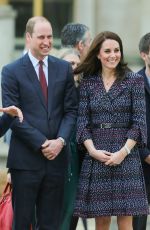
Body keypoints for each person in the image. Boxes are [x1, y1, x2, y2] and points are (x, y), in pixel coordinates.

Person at [1, 16, 78, 230]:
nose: (47, 41)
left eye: (50, 36)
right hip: (25, 163)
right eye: (41, 37)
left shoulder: (63, 69)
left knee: (51, 224)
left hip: (56, 162)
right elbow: (12, 116)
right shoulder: (11, 71)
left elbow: (71, 111)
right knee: (23, 223)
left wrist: (60, 141)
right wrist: (45, 144)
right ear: (28, 37)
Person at [73, 31, 149, 230]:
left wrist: (123, 152)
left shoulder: (134, 80)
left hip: (127, 155)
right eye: (107, 51)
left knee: (125, 221)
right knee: (102, 220)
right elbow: (82, 123)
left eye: (117, 50)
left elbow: (139, 122)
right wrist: (92, 151)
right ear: (98, 54)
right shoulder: (88, 83)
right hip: (98, 154)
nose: (113, 55)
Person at [132, 33, 150, 230]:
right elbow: (128, 124)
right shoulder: (132, 83)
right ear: (144, 55)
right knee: (138, 222)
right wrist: (145, 154)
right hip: (140, 163)